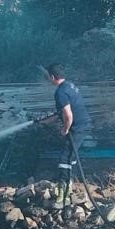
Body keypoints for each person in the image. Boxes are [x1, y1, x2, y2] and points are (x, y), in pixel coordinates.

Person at [43, 63, 92, 209]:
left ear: (52, 77)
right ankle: (69, 189)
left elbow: (68, 115)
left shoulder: (60, 92)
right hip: (83, 124)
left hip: (78, 127)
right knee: (70, 157)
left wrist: (65, 129)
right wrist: (45, 121)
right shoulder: (70, 85)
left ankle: (62, 198)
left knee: (64, 159)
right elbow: (63, 112)